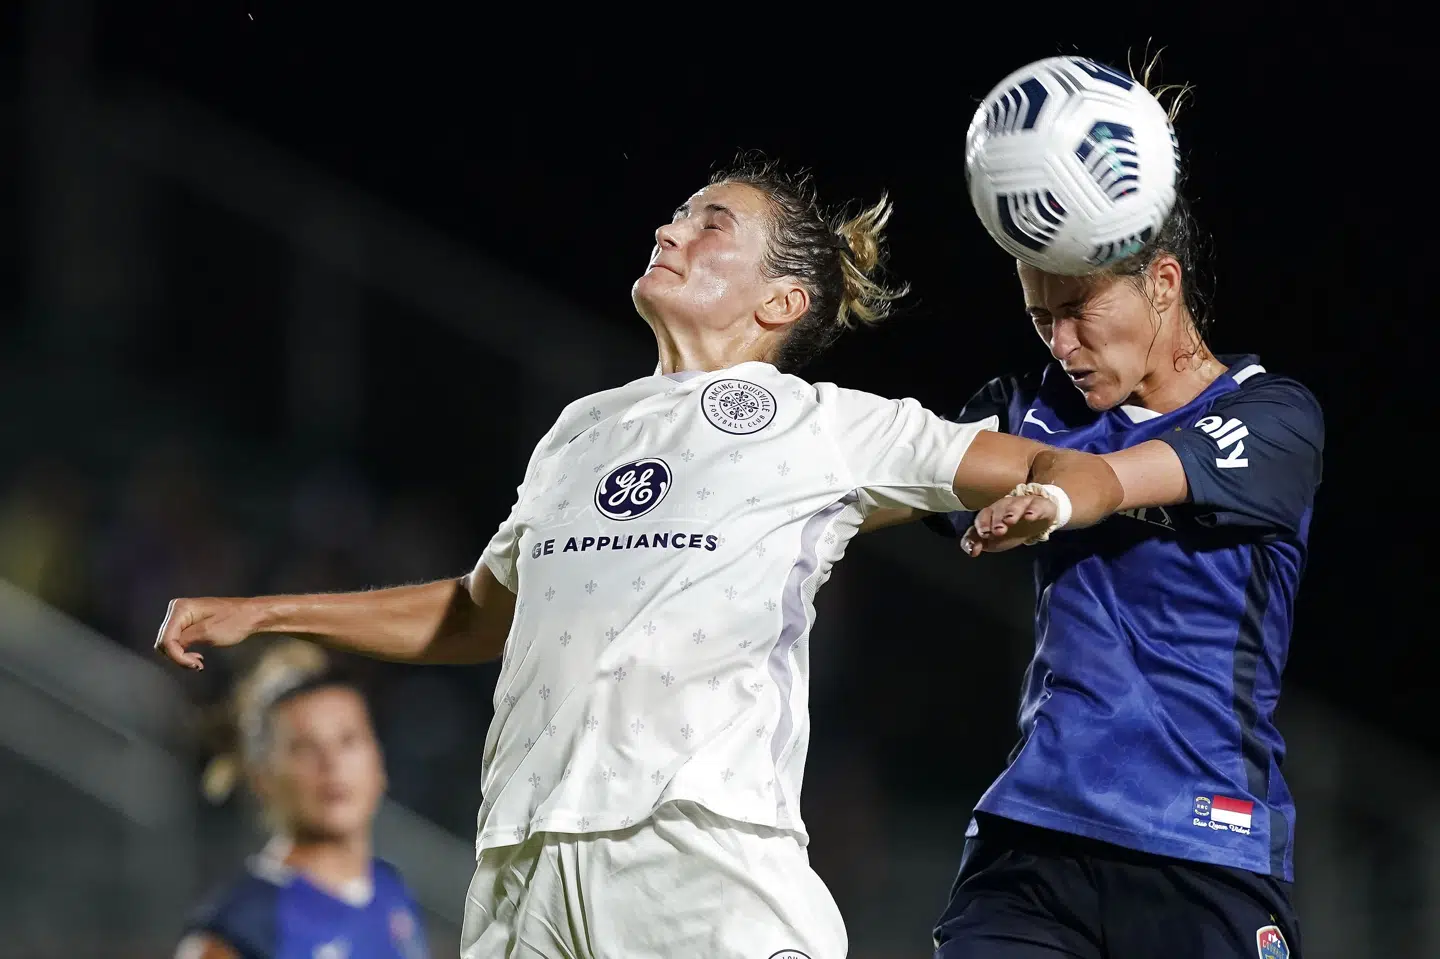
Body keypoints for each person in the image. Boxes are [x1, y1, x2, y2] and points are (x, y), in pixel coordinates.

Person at [157, 154, 1165, 958]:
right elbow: (477, 613)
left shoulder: (826, 425)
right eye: (676, 216)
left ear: (780, 303)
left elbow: (1043, 457)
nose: (668, 229)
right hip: (522, 865)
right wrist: (268, 609)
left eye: (709, 223)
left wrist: (1057, 492)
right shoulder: (579, 430)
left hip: (697, 857)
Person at [915, 143, 1322, 956]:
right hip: (1029, 846)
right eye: (1040, 318)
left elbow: (1101, 481)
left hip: (1204, 847)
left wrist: (1056, 498)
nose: (1060, 344)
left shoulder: (1276, 419)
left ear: (1162, 285)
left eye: (1078, 313)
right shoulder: (1025, 408)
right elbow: (885, 476)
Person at [176, 640, 429, 959]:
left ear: (379, 762)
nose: (332, 764)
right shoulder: (241, 927)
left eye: (348, 741)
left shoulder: (392, 891)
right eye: (305, 748)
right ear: (262, 777)